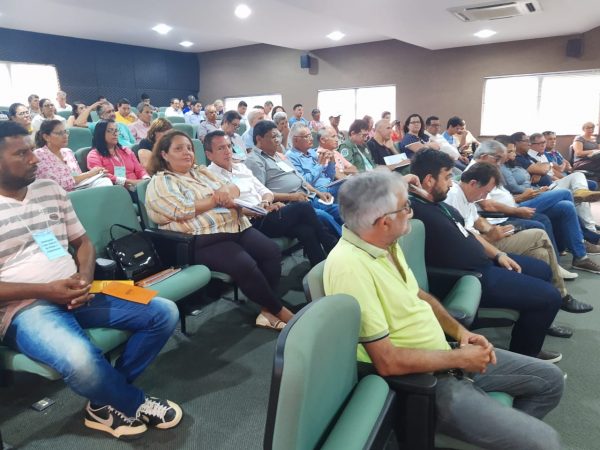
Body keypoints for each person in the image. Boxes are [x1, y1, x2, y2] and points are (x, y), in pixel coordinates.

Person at [324, 169, 563, 450]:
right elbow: (387, 361)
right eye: (406, 207)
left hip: (447, 356)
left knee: (551, 380)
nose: (411, 212)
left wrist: (461, 332)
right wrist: (460, 359)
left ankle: (498, 434)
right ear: (384, 221)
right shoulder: (350, 267)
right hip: (423, 382)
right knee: (546, 443)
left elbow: (420, 296)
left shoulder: (385, 244)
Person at [0, 121, 182, 438]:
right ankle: (131, 402)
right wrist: (47, 291)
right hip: (26, 308)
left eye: (31, 150)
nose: (34, 159)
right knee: (81, 360)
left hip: (78, 291)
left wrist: (84, 278)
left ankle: (103, 400)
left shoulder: (50, 190)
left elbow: (83, 243)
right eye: (22, 153)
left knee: (164, 312)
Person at [410, 149, 562, 361]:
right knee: (549, 297)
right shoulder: (412, 208)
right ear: (427, 180)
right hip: (471, 276)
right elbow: (375, 195)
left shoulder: (439, 205)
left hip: (487, 263)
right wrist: (405, 183)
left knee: (542, 270)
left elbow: (470, 234)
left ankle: (533, 326)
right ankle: (526, 354)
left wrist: (499, 254)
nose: (451, 183)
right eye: (446, 178)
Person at [145, 129, 294, 330]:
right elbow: (181, 208)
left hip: (236, 226)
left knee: (271, 252)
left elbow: (234, 188)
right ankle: (282, 313)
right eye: (179, 149)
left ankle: (267, 311)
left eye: (189, 148)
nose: (187, 152)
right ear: (164, 154)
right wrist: (216, 198)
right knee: (245, 264)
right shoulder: (161, 181)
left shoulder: (202, 172)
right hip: (202, 238)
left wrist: (223, 192)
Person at [445, 160, 593, 323]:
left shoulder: (468, 197)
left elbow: (477, 220)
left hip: (488, 238)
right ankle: (562, 296)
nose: (485, 197)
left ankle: (542, 312)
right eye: (485, 192)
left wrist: (491, 230)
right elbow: (464, 238)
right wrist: (490, 237)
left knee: (540, 253)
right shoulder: (452, 197)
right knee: (538, 233)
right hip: (481, 246)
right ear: (473, 183)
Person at [206, 131, 337, 266]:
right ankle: (331, 245)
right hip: (250, 221)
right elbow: (226, 207)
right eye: (221, 148)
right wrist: (259, 209)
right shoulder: (210, 176)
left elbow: (264, 191)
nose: (227, 151)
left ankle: (322, 268)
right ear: (209, 154)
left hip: (266, 212)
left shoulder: (240, 167)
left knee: (306, 231)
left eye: (228, 146)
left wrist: (265, 202)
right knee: (304, 208)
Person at [246, 120, 344, 236]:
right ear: (259, 139)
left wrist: (318, 193)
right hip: (292, 203)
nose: (278, 140)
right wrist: (293, 196)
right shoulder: (255, 160)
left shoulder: (278, 157)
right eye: (274, 137)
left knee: (341, 211)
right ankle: (343, 245)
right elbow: (261, 192)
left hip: (309, 196)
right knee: (324, 217)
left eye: (278, 136)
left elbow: (300, 179)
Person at [34, 120, 110, 191]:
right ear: (46, 137)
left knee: (104, 181)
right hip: (59, 195)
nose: (65, 136)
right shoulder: (39, 155)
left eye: (65, 132)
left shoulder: (68, 152)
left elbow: (78, 176)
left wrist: (96, 173)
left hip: (78, 188)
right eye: (60, 133)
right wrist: (89, 174)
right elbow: (56, 184)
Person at [87, 120, 149, 192]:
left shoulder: (126, 150)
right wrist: (128, 182)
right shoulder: (94, 155)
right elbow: (101, 175)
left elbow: (140, 169)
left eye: (116, 130)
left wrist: (146, 179)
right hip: (117, 190)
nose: (115, 134)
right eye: (110, 131)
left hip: (137, 186)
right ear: (100, 133)